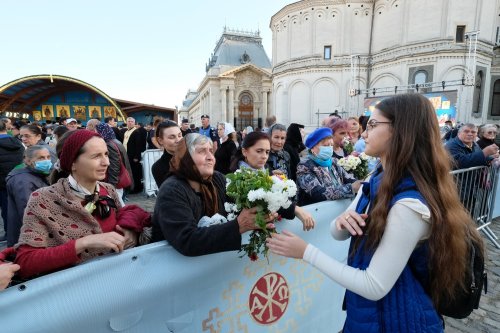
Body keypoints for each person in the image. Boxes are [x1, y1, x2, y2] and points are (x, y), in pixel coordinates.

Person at [267, 93, 484, 332]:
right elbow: (337, 232)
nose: (363, 133)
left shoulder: (409, 205)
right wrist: (342, 221)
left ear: (400, 130)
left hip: (399, 321)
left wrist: (306, 252)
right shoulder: (377, 177)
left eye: (372, 124)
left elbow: (374, 285)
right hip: (371, 316)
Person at [14, 130, 151, 279]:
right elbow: (26, 261)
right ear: (73, 163)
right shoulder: (42, 199)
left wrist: (130, 231)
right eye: (96, 156)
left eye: (106, 154)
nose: (106, 162)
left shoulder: (108, 190)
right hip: (77, 292)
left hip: (117, 281)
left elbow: (126, 215)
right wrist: (83, 243)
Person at [151, 133, 277, 256]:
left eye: (211, 151)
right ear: (186, 157)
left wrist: (267, 210)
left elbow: (241, 204)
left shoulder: (217, 179)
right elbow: (187, 240)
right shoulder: (172, 190)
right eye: (201, 151)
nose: (210, 157)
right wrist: (238, 226)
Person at [230, 132, 315, 230]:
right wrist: (295, 209)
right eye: (259, 151)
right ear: (245, 151)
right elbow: (268, 199)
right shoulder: (236, 178)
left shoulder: (267, 171)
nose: (264, 156)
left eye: (267, 152)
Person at [296, 127, 361, 206]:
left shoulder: (334, 162)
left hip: (337, 207)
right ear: (313, 148)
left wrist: (360, 184)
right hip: (315, 211)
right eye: (326, 145)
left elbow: (348, 178)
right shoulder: (304, 166)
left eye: (331, 145)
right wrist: (351, 188)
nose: (329, 148)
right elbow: (318, 193)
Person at [5, 146, 51, 246]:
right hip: (28, 237)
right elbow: (27, 212)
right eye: (41, 158)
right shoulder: (24, 180)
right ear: (28, 161)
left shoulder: (36, 175)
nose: (46, 161)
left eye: (48, 157)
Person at [94, 123, 134, 206]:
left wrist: (111, 186)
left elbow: (114, 166)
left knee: (118, 206)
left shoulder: (108, 144)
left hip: (116, 182)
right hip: (119, 181)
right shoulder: (115, 141)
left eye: (96, 131)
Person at [0, 120, 24, 242]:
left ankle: (10, 235)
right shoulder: (17, 142)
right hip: (17, 180)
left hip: (2, 184)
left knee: (6, 210)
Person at [151, 121, 182, 188]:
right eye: (172, 137)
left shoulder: (193, 158)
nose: (178, 140)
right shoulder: (158, 167)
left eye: (179, 135)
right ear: (160, 141)